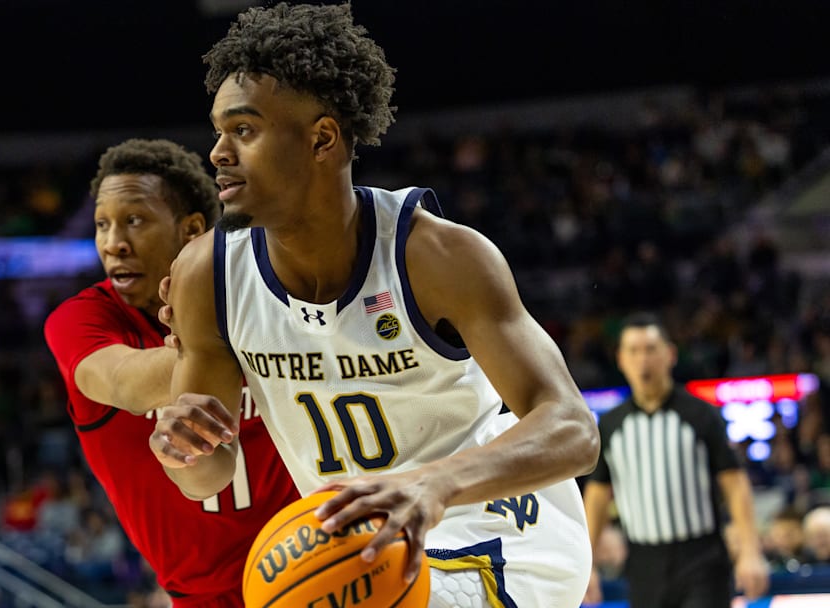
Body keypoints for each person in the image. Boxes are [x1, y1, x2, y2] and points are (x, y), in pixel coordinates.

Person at [148, 4, 600, 606]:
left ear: (322, 139)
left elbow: (573, 428)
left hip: (499, 533)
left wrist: (431, 486)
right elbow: (210, 472)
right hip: (357, 546)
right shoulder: (207, 276)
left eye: (245, 130)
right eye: (218, 132)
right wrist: (182, 449)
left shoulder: (437, 255)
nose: (218, 153)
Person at [43, 138, 299, 607]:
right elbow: (125, 382)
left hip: (310, 559)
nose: (113, 242)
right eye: (103, 224)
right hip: (203, 595)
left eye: (134, 221)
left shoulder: (258, 290)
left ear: (191, 229)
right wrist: (247, 335)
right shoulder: (80, 322)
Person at [582, 312, 770, 606]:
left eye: (650, 349)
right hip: (643, 563)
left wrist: (750, 551)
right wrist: (587, 563)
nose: (642, 360)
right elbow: (597, 495)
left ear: (669, 355)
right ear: (620, 359)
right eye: (633, 351)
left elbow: (734, 483)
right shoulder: (611, 425)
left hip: (702, 559)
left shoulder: (700, 414)